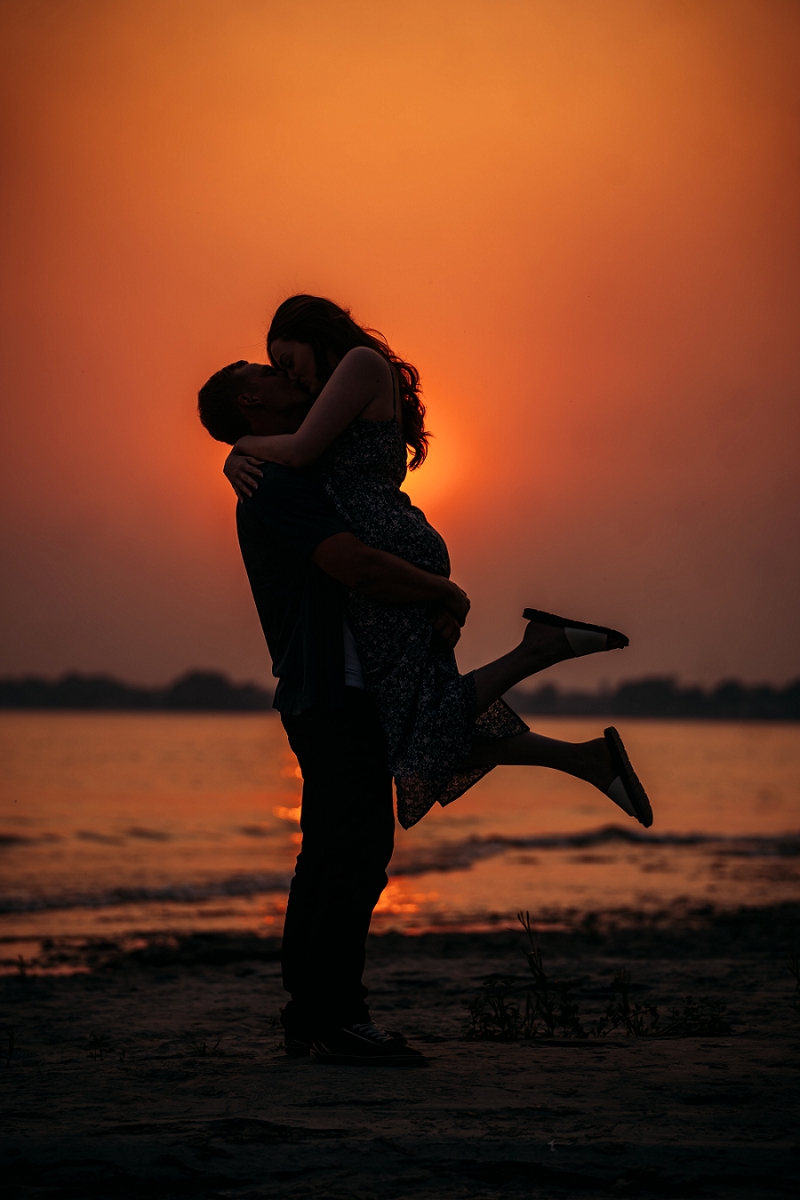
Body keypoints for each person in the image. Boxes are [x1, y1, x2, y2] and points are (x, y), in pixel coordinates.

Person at [222, 295, 652, 833]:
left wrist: (237, 449)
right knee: (420, 717)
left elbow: (303, 452)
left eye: (289, 361)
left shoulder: (359, 364)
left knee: (413, 722)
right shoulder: (333, 394)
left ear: (313, 333)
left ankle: (540, 649)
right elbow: (299, 448)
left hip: (386, 545)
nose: (292, 376)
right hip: (391, 544)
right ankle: (585, 758)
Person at [198, 363, 469, 1065]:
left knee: (330, 859)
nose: (286, 372)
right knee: (350, 859)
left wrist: (237, 453)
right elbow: (352, 564)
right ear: (250, 400)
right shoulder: (278, 485)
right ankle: (335, 1018)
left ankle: (314, 1020)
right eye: (267, 370)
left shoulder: (282, 470)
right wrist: (444, 590)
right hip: (331, 690)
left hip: (331, 691)